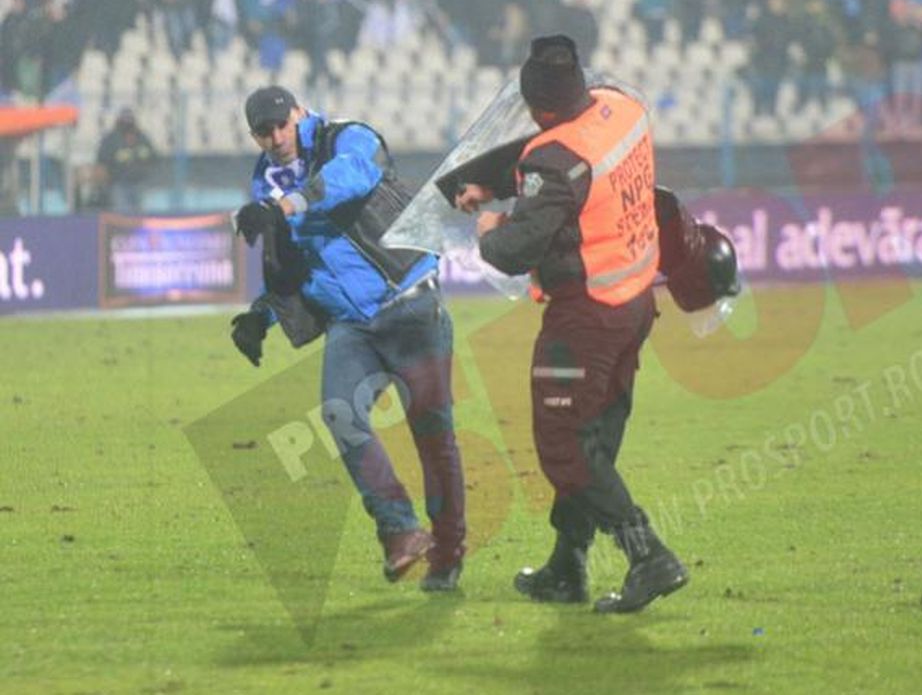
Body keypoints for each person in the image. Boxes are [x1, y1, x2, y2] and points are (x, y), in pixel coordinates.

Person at [455, 35, 689, 614]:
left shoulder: (554, 161)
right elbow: (566, 163)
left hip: (585, 318)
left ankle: (648, 555)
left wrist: (489, 230)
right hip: (635, 301)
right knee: (595, 436)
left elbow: (516, 248)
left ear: (537, 108)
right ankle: (567, 565)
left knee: (565, 444)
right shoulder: (623, 108)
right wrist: (503, 183)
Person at [229, 85, 467, 592]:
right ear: (253, 136)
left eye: (281, 125)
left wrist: (286, 206)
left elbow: (354, 176)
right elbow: (290, 265)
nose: (275, 139)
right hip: (351, 324)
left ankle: (447, 551)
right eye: (263, 132)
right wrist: (260, 316)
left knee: (432, 434)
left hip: (410, 303)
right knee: (340, 414)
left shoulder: (348, 138)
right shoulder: (264, 180)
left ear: (299, 114)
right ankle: (400, 530)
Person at [94, 108, 158, 212]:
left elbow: (154, 158)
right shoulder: (111, 139)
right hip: (119, 184)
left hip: (140, 183)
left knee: (141, 214)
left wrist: (146, 171)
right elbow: (102, 161)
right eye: (125, 120)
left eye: (129, 120)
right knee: (123, 214)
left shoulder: (142, 138)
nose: (127, 124)